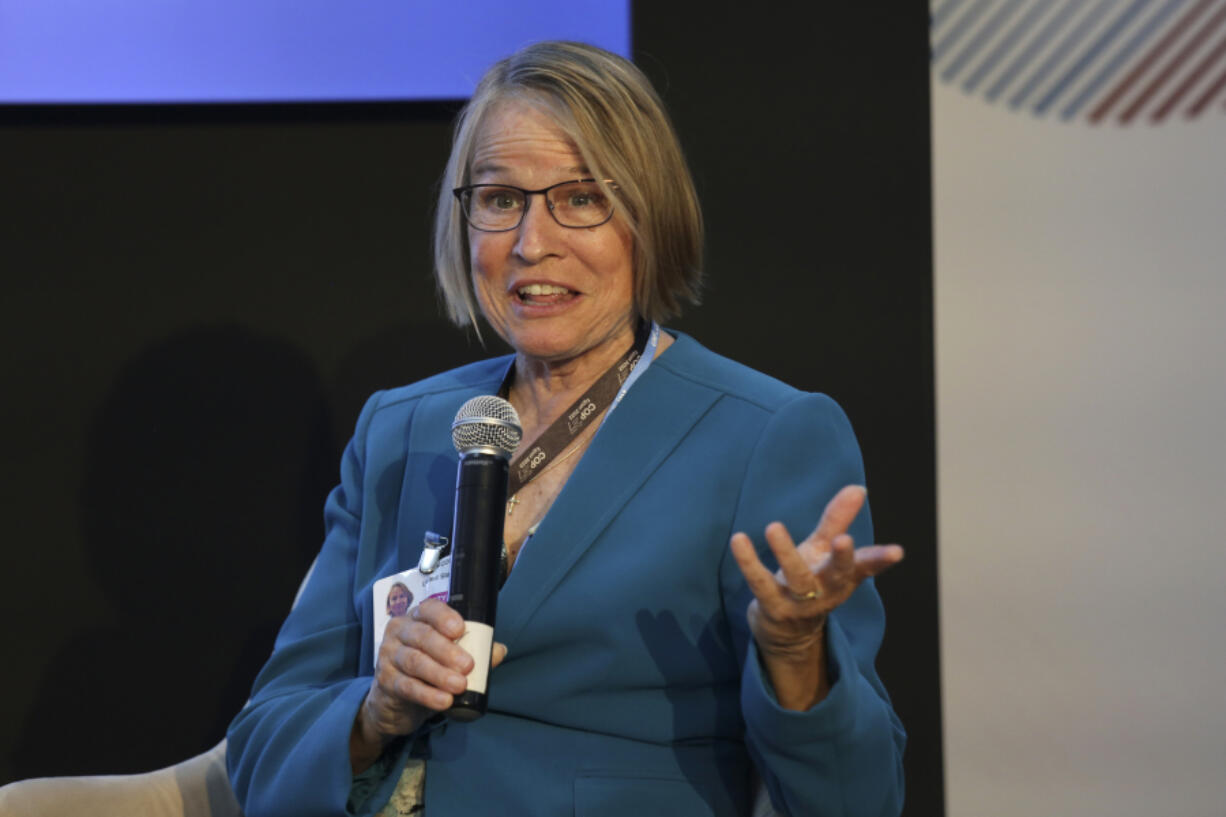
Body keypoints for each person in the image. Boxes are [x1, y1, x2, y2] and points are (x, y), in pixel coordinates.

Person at [227, 41, 905, 817]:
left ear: (648, 218)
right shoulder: (400, 429)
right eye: (500, 198)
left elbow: (861, 798)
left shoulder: (765, 437)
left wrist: (794, 655)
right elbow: (261, 748)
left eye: (580, 199)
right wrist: (374, 712)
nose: (530, 242)